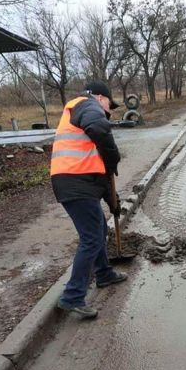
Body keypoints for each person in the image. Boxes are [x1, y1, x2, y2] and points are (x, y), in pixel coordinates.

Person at [51, 80, 127, 319]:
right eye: (108, 105)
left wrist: (112, 200)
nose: (108, 111)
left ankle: (104, 274)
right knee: (91, 237)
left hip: (78, 181)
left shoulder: (82, 112)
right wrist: (113, 157)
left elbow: (99, 172)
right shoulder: (86, 105)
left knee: (99, 229)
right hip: (74, 183)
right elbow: (99, 127)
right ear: (100, 97)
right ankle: (72, 296)